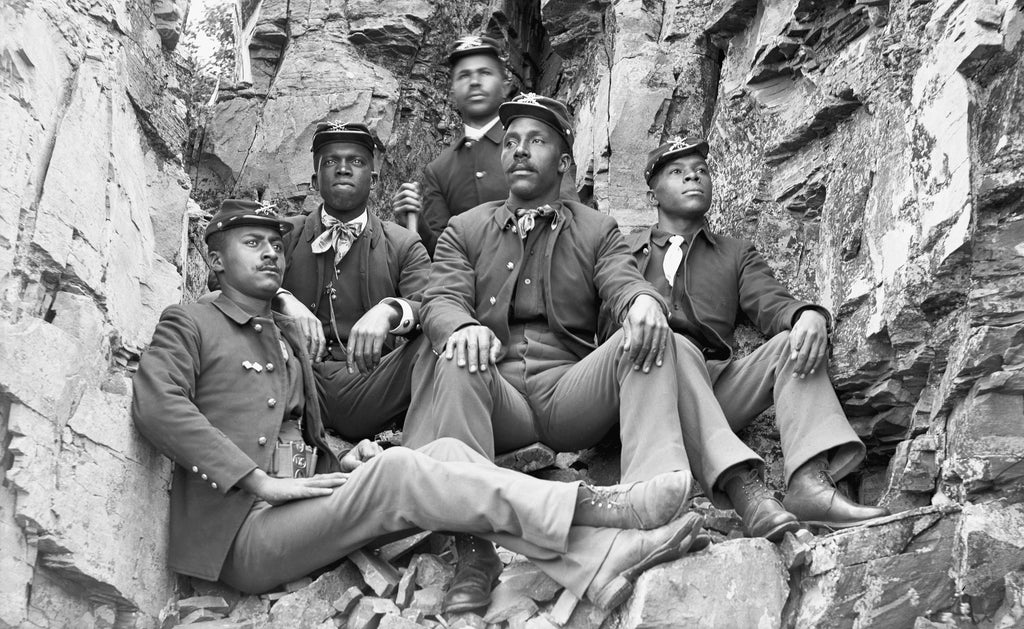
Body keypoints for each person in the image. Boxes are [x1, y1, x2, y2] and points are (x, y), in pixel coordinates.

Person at [131, 200, 707, 610]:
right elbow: (157, 408)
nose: (270, 255)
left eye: (276, 246)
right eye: (251, 244)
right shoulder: (190, 321)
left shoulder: (284, 338)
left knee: (446, 449)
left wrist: (341, 463)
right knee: (405, 468)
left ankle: (599, 561)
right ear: (216, 261)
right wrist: (257, 482)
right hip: (243, 535)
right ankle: (597, 506)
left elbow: (296, 441)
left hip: (303, 509)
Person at [402, 94, 776, 613]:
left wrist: (643, 301)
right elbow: (440, 297)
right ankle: (474, 549)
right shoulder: (464, 229)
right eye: (510, 142)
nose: (519, 151)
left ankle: (652, 502)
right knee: (454, 357)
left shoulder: (597, 228)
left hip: (568, 391)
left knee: (647, 336)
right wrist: (462, 326)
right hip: (495, 393)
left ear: (563, 161)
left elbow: (622, 281)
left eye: (536, 140)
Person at [607, 136, 889, 531]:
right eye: (677, 172)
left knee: (794, 342)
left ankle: (810, 482)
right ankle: (743, 487)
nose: (693, 176)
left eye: (701, 171)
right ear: (652, 193)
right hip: (644, 392)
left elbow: (770, 302)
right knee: (671, 345)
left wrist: (806, 315)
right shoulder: (620, 252)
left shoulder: (735, 253)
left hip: (714, 388)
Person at [272, 122, 431, 441]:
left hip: (372, 387)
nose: (343, 169)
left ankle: (425, 451)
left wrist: (390, 311)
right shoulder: (283, 235)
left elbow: (434, 303)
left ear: (372, 181)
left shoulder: (402, 243)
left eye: (356, 162)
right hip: (293, 380)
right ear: (316, 180)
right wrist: (281, 299)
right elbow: (223, 280)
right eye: (331, 162)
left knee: (441, 338)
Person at [391, 35, 575, 255]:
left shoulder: (538, 144)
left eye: (485, 73)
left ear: (506, 86)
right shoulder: (440, 169)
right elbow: (441, 254)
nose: (475, 82)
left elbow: (571, 220)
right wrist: (417, 221)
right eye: (464, 75)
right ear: (452, 91)